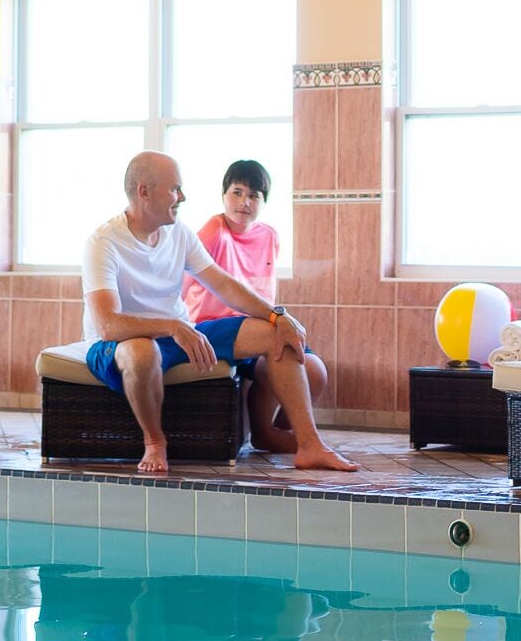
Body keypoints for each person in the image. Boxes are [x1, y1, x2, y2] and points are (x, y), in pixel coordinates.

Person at [83, 150, 355, 477]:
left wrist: (277, 315)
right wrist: (171, 326)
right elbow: (109, 324)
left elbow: (223, 285)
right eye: (175, 189)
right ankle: (155, 442)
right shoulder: (103, 242)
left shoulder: (178, 233)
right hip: (121, 343)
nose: (182, 197)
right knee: (142, 351)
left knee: (275, 334)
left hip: (177, 334)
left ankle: (310, 446)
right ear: (144, 192)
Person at [183, 159, 330, 454]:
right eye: (237, 192)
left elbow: (265, 291)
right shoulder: (213, 232)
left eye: (254, 195)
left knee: (315, 370)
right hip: (213, 328)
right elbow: (182, 286)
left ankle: (272, 432)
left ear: (264, 201)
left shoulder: (270, 236)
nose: (244, 202)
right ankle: (299, 442)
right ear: (224, 194)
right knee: (277, 339)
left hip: (257, 327)